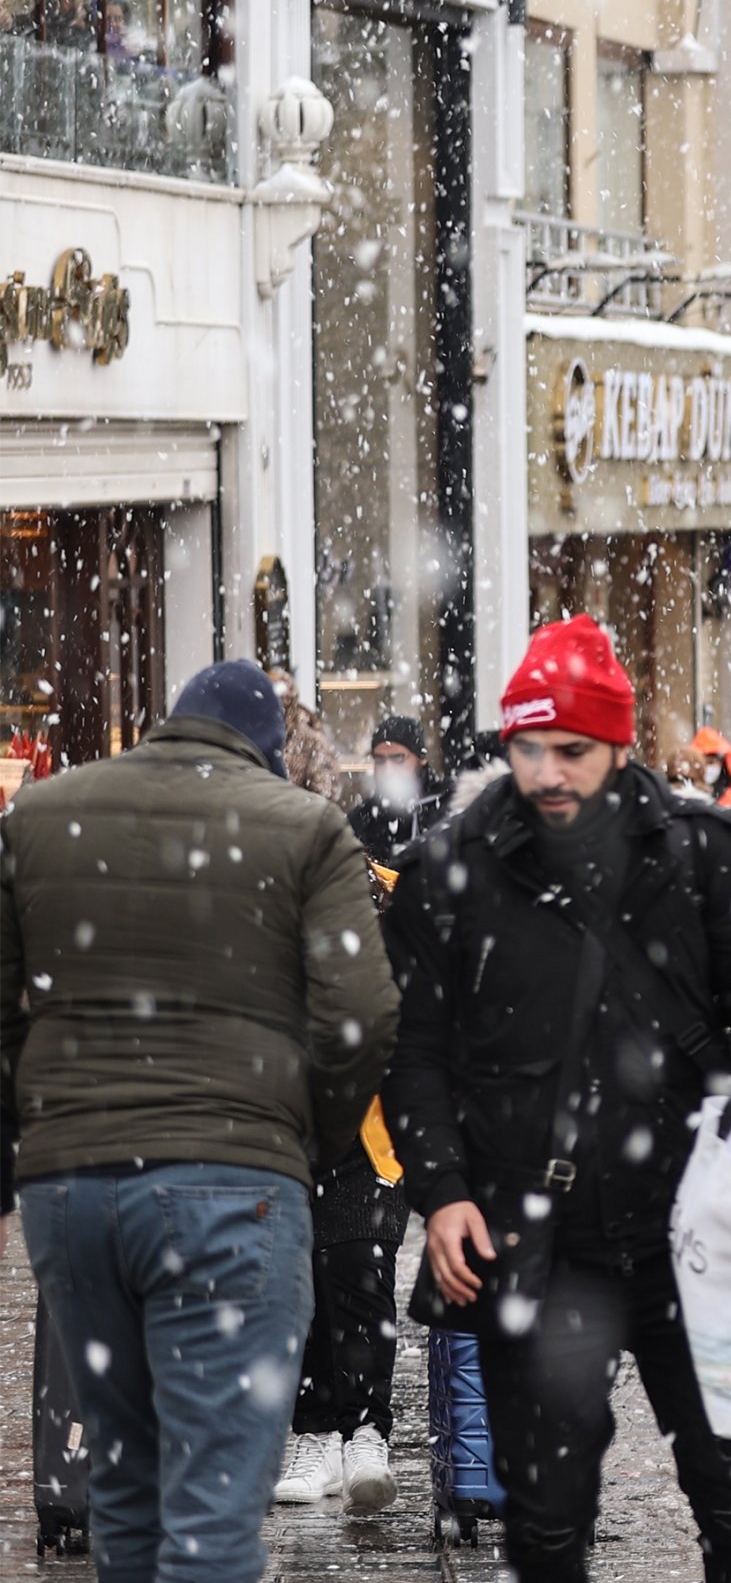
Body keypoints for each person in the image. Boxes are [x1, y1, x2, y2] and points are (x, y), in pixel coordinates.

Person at [383, 616, 731, 1583]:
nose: (549, 773)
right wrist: (440, 1191)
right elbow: (415, 1055)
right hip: (537, 1238)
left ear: (618, 743)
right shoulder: (454, 872)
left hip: (697, 1233)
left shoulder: (701, 856)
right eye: (527, 749)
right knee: (547, 1521)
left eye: (571, 750)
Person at [0, 660, 397, 1576]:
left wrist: (37, 1132)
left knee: (125, 1491)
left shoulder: (46, 814)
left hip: (77, 1194)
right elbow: (363, 1013)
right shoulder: (304, 829)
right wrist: (310, 1140)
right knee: (215, 1511)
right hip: (234, 1185)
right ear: (263, 751)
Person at [275, 711, 411, 1517]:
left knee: (359, 1270)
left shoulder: (388, 896)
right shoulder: (273, 901)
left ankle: (368, 1428)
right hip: (297, 1121)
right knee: (307, 1282)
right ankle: (316, 1427)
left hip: (373, 1125)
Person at [348, 715, 440, 867]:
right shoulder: (362, 819)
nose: (388, 770)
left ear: (421, 758)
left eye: (398, 758)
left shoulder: (445, 805)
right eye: (380, 760)